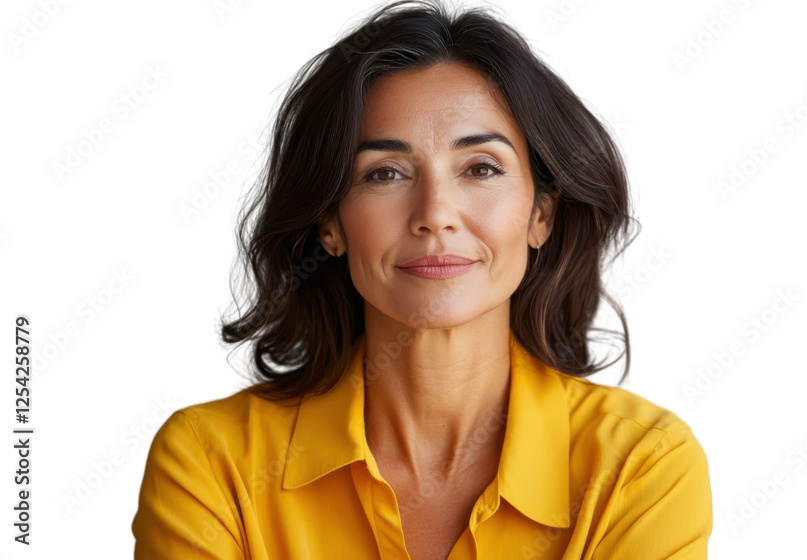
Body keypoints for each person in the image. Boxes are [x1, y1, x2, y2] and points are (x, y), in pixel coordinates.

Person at [131, 0, 712, 558]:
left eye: (481, 168)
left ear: (541, 215)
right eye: (385, 173)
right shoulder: (211, 462)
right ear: (331, 223)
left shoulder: (641, 465)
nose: (435, 211)